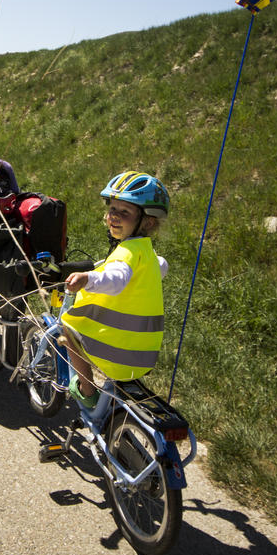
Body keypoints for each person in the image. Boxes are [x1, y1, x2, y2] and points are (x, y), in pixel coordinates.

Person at [60, 170, 170, 408]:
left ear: (147, 221)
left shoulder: (126, 253)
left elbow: (117, 278)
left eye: (125, 212)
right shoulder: (146, 253)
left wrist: (88, 278)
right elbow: (161, 267)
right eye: (113, 209)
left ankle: (87, 392)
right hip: (143, 354)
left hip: (114, 351)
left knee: (66, 330)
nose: (114, 216)